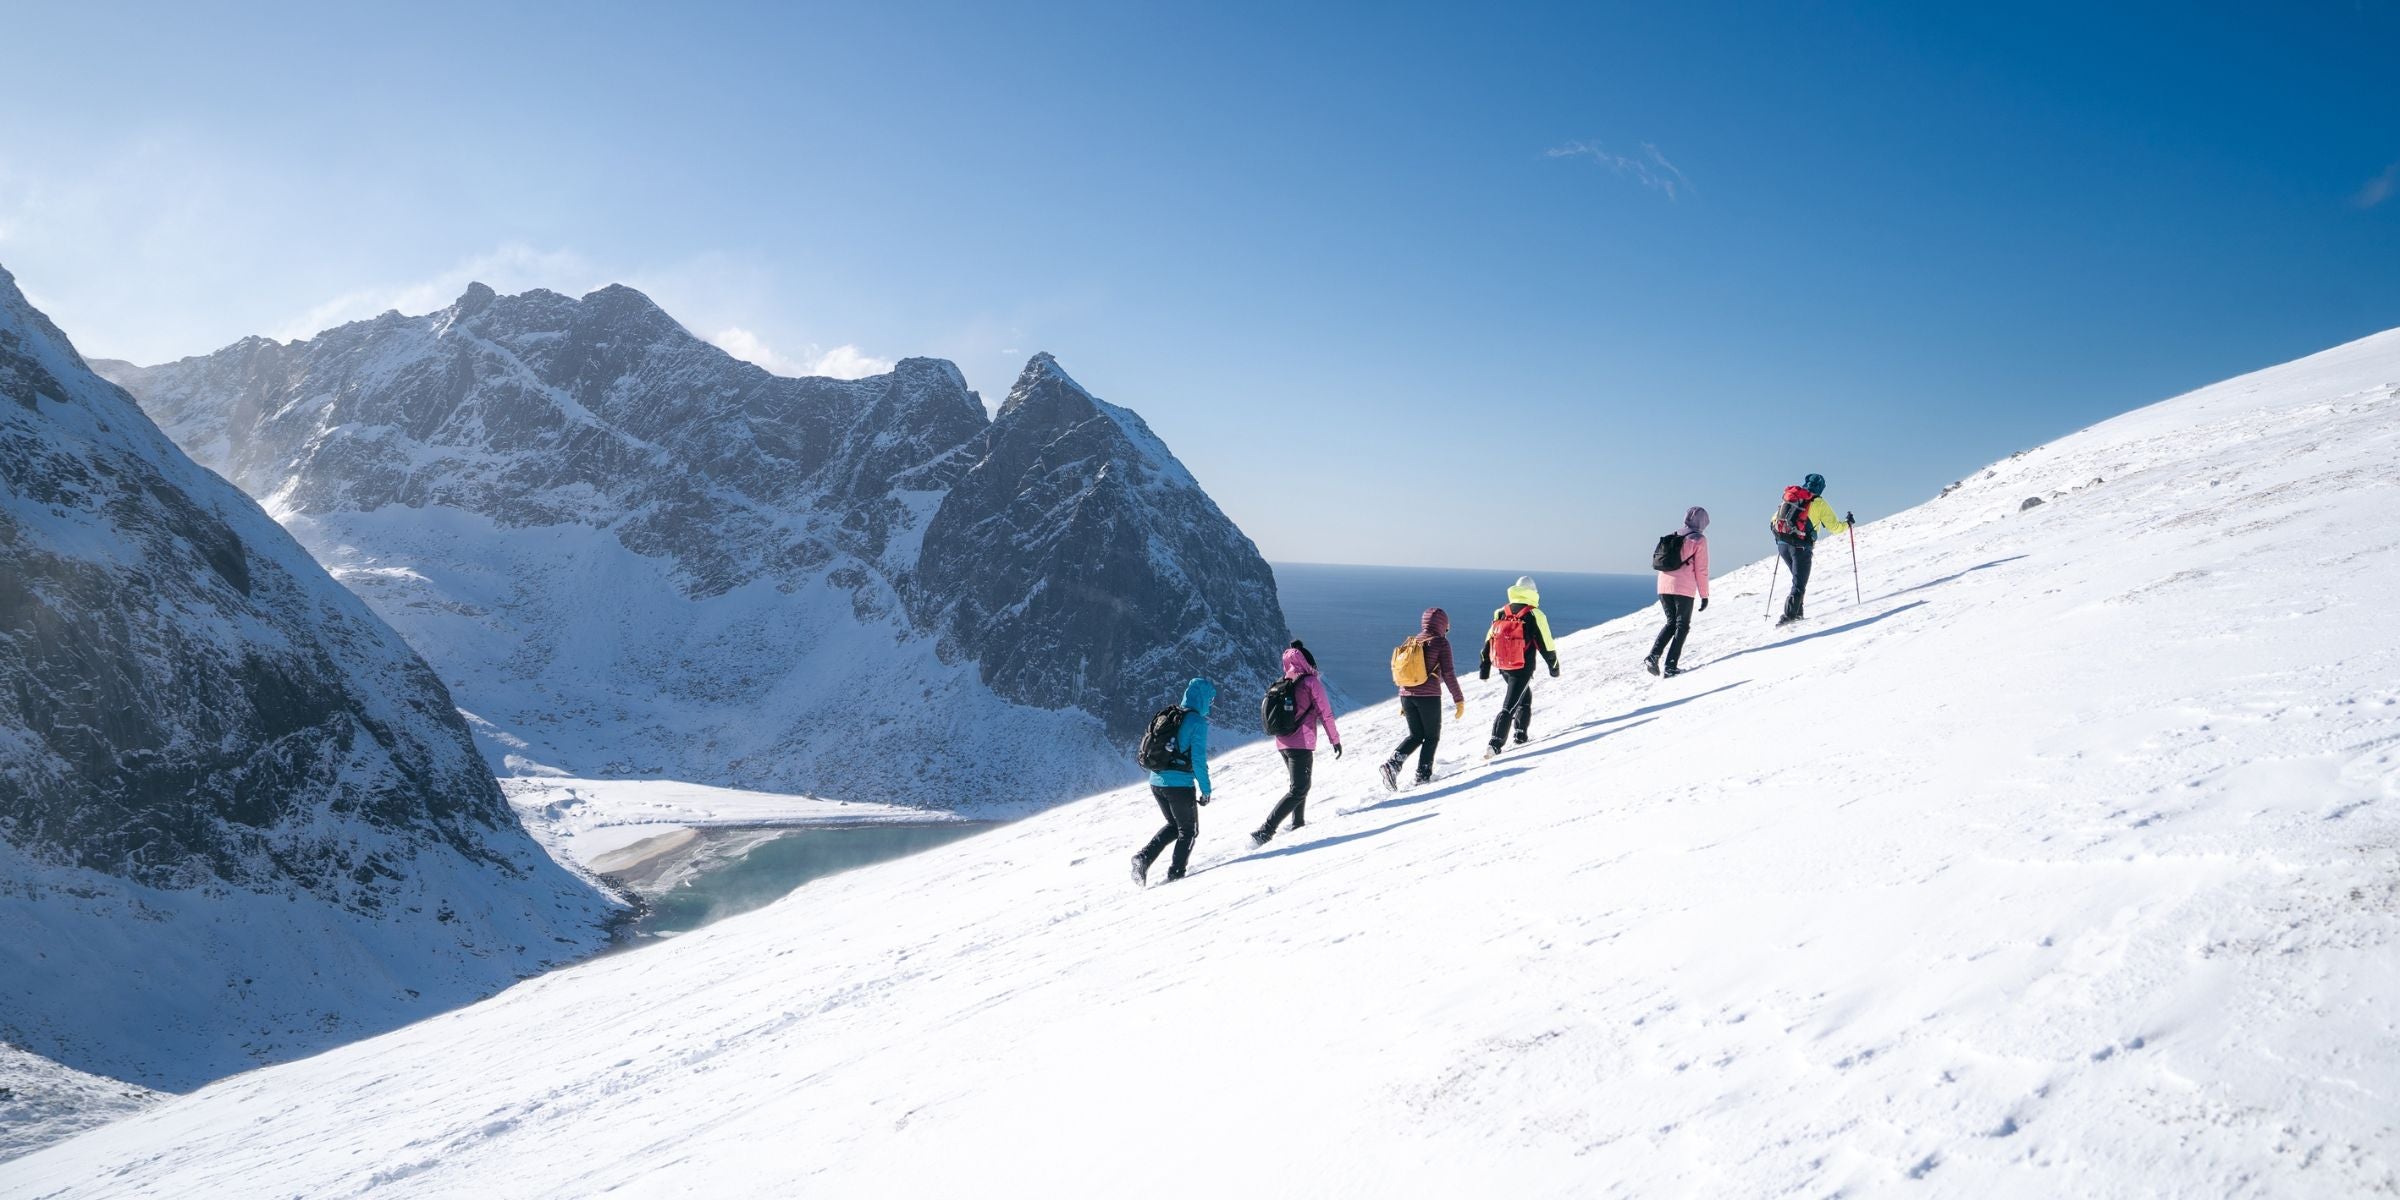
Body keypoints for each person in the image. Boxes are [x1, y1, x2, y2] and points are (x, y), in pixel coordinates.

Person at [1253, 641, 1340, 845]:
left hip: (1283, 742)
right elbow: (1325, 713)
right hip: (1301, 742)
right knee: (1299, 788)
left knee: (1299, 785)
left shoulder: (1284, 680)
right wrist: (1335, 740)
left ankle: (1298, 823)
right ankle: (1265, 830)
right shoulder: (1311, 682)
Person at [1132, 678, 1214, 887]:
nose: (1211, 704)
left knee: (1174, 825)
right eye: (1210, 699)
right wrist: (1205, 790)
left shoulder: (1171, 715)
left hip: (1156, 781)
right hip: (1179, 786)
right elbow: (1198, 760)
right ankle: (1176, 875)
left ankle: (1143, 858)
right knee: (1189, 831)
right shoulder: (1197, 722)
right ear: (1203, 698)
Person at [1379, 608, 1467, 791]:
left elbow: (1404, 672)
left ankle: (1392, 765)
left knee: (1416, 735)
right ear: (1442, 624)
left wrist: (1403, 701)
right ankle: (1422, 775)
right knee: (1432, 736)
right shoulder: (1440, 643)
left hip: (1406, 696)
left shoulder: (1412, 641)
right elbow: (1449, 673)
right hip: (1428, 697)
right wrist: (1458, 699)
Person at [1479, 576, 1559, 760]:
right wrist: (1554, 667)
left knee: (1524, 697)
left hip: (1503, 666)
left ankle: (1521, 735)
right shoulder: (1534, 614)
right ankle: (1494, 744)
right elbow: (1546, 644)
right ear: (1533, 592)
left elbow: (1488, 641)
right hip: (1522, 668)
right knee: (1509, 706)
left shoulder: (1501, 612)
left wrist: (1485, 669)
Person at [1771, 473, 1852, 626]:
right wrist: (1847, 524)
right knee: (1799, 583)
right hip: (1801, 547)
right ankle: (1788, 618)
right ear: (1821, 488)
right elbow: (1834, 527)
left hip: (1783, 545)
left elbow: (1773, 520)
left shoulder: (1792, 497)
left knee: (1797, 580)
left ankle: (1798, 613)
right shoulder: (1819, 502)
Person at [1647, 506, 1712, 677]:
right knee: (1682, 626)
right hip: (1682, 588)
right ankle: (1670, 666)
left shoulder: (1673, 535)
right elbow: (1702, 570)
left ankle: (1653, 656)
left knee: (1671, 623)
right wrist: (1704, 595)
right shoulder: (1698, 539)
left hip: (1663, 586)